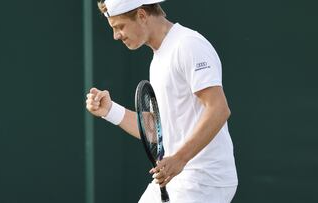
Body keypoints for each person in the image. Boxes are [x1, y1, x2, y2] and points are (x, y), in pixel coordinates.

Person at [86, 0, 238, 202]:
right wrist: (110, 110)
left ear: (141, 15)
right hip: (177, 178)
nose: (116, 36)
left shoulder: (188, 45)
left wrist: (180, 158)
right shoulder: (158, 59)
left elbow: (218, 109)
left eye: (119, 27)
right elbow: (159, 130)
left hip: (204, 180)